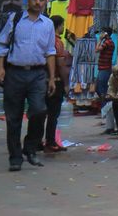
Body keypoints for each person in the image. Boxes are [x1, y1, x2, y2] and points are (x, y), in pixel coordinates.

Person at [0, 0, 57, 171]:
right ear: (27, 0)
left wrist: (52, 78)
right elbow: (1, 43)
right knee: (13, 117)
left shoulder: (48, 24)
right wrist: (0, 67)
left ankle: (30, 148)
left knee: (39, 110)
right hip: (14, 73)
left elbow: (50, 52)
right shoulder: (15, 21)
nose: (38, 2)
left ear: (45, 2)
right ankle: (15, 157)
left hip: (38, 74)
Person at [43, 15, 73, 153]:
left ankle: (41, 140)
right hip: (56, 80)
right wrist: (66, 83)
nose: (63, 28)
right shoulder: (57, 43)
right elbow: (61, 65)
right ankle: (50, 141)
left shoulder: (45, 40)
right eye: (62, 25)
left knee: (43, 113)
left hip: (43, 80)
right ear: (58, 26)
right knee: (53, 114)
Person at [95, 28, 115, 100]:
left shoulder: (108, 42)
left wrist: (100, 40)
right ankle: (104, 103)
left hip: (105, 69)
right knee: (98, 87)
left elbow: (97, 50)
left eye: (102, 32)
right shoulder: (108, 42)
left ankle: (104, 104)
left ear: (106, 34)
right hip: (103, 68)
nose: (100, 34)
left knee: (101, 88)